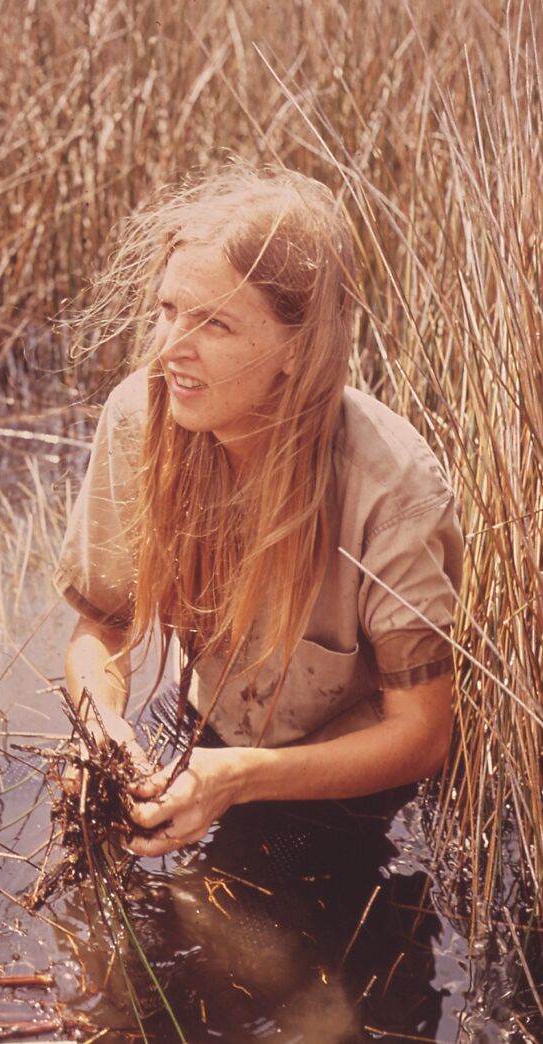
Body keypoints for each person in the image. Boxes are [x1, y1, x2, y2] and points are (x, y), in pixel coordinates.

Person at [53, 165, 463, 861]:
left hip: (354, 800)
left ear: (295, 351)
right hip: (208, 739)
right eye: (168, 310)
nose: (170, 349)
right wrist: (104, 727)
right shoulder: (140, 418)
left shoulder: (394, 490)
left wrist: (239, 778)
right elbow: (104, 625)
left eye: (214, 324)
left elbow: (422, 736)